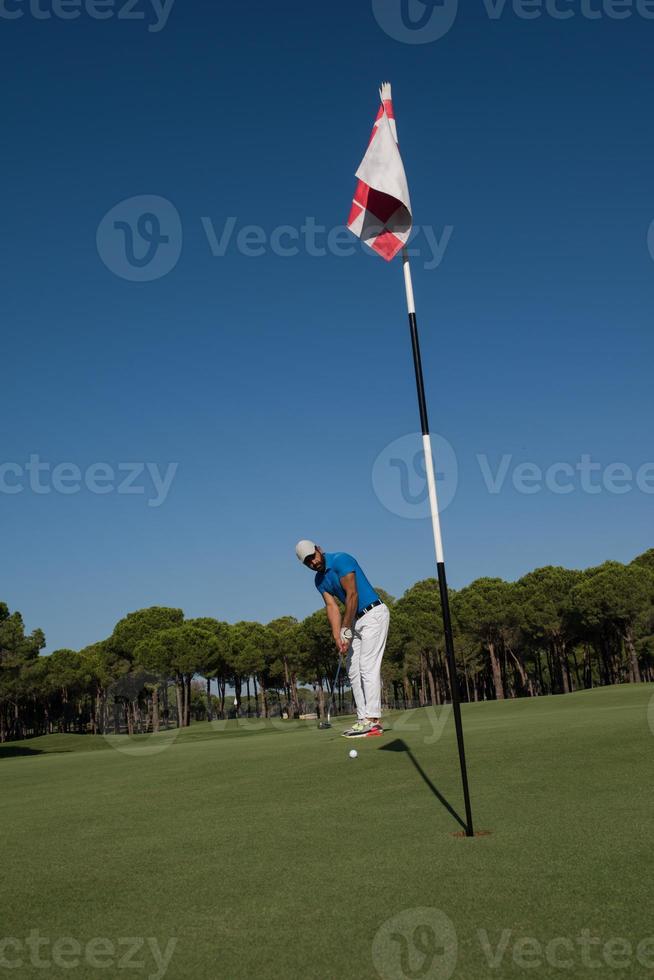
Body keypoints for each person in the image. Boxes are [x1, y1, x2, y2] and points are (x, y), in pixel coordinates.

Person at [295, 540, 390, 738]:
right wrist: (338, 635)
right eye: (307, 563)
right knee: (353, 669)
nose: (313, 563)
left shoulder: (341, 560)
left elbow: (352, 595)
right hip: (355, 620)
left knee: (367, 666)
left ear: (318, 549)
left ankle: (373, 722)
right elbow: (332, 607)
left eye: (313, 557)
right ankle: (362, 719)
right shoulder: (319, 581)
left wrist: (345, 629)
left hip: (373, 613)